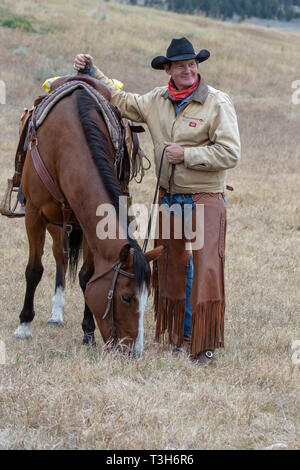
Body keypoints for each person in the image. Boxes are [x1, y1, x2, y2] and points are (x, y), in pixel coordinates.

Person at [74, 37, 241, 365]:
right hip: (170, 197)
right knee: (170, 269)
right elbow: (121, 99)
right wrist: (94, 71)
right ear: (168, 69)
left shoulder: (217, 103)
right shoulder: (156, 100)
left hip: (205, 197)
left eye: (193, 64)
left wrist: (187, 154)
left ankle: (203, 344)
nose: (189, 70)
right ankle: (180, 336)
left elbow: (230, 152)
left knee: (205, 268)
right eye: (181, 66)